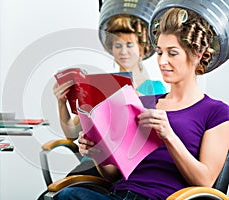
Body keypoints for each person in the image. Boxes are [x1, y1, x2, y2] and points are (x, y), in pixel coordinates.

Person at [54, 7, 229, 200]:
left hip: (163, 197)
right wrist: (98, 153)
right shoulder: (141, 104)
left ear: (197, 55)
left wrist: (168, 135)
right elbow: (113, 174)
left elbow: (205, 181)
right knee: (69, 195)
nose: (162, 61)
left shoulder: (217, 112)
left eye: (172, 53)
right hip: (119, 194)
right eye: (160, 52)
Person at [52, 15, 166, 177]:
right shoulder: (101, 85)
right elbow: (71, 133)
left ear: (141, 49)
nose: (123, 51)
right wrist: (61, 102)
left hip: (132, 162)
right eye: (118, 46)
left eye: (129, 45)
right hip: (97, 160)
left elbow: (157, 138)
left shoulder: (156, 88)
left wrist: (133, 97)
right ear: (111, 50)